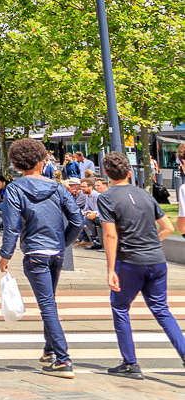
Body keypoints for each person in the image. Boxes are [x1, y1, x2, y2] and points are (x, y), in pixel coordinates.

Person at [0, 137, 85, 379]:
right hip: (56, 253)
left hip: (35, 253)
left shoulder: (15, 188)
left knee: (47, 305)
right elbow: (78, 219)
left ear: (17, 164)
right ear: (41, 160)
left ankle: (63, 359)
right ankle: (49, 352)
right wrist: (63, 243)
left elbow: (12, 227)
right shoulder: (57, 187)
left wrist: (5, 256)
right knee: (50, 303)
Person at [98, 151, 185, 379]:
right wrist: (150, 243)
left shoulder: (106, 198)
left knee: (120, 308)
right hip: (156, 260)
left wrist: (110, 269)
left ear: (106, 174)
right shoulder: (146, 195)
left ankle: (130, 363)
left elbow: (110, 235)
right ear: (129, 172)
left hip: (130, 261)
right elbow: (167, 227)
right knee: (161, 310)